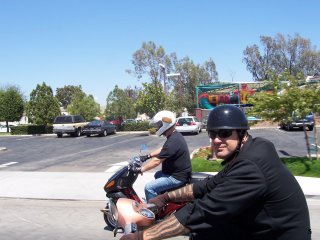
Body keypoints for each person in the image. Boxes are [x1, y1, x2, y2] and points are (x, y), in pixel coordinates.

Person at [120, 104, 311, 240]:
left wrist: (142, 236)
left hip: (278, 235)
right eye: (213, 134)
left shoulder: (250, 168)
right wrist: (165, 198)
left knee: (202, 228)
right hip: (262, 228)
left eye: (225, 133)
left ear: (242, 133)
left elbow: (203, 211)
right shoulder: (251, 150)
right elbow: (208, 185)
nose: (217, 140)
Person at [137, 110, 192, 202]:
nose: (158, 127)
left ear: (165, 124)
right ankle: (160, 199)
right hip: (176, 173)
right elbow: (163, 149)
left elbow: (157, 161)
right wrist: (148, 156)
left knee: (149, 188)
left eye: (159, 124)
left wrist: (141, 169)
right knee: (157, 174)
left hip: (177, 177)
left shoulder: (173, 141)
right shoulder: (174, 136)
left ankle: (155, 213)